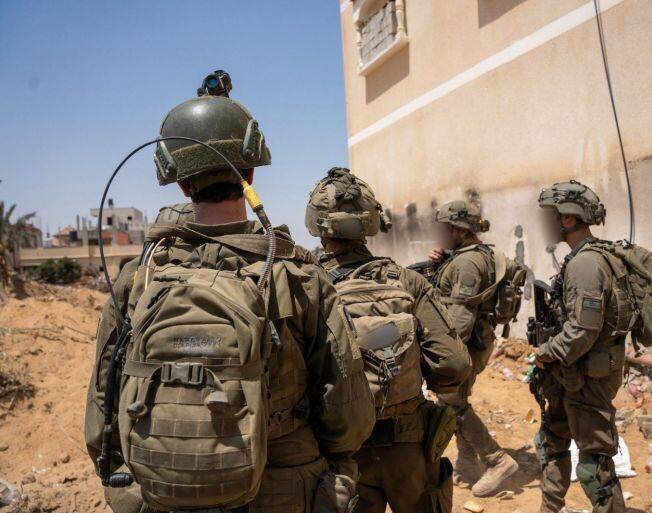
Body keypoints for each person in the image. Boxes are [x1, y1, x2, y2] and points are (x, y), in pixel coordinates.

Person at [84, 89, 375, 513]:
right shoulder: (298, 274)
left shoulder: (138, 279)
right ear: (249, 176)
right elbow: (348, 418)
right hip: (286, 488)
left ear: (182, 184)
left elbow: (101, 415)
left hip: (165, 488)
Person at [305, 167, 472, 513]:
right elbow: (453, 366)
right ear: (370, 222)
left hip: (340, 452)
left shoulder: (306, 288)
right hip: (408, 446)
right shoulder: (408, 282)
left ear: (317, 225)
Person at [533, 180, 626, 513]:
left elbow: (583, 331)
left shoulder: (587, 265)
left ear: (569, 219)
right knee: (552, 442)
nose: (544, 223)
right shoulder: (580, 258)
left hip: (587, 377)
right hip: (569, 372)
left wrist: (545, 353)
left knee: (594, 466)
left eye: (550, 216)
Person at [427, 200, 520, 497]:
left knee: (449, 401)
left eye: (444, 229)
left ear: (457, 229)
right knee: (457, 399)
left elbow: (461, 318)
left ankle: (497, 460)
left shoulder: (467, 263)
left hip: (466, 343)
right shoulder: (473, 255)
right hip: (476, 341)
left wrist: (443, 356)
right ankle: (468, 461)